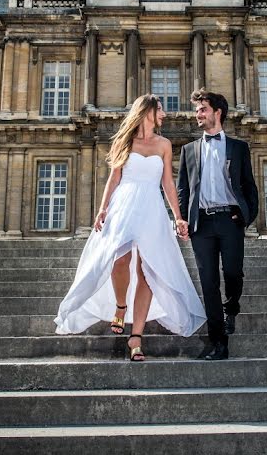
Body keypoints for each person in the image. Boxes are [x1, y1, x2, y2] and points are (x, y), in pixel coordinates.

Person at [54, 94, 206, 361]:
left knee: (148, 269)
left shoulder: (164, 144)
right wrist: (102, 209)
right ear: (146, 111)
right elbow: (113, 178)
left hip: (151, 207)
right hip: (123, 203)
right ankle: (121, 305)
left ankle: (136, 336)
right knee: (119, 259)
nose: (164, 114)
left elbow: (167, 184)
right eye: (160, 109)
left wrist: (178, 217)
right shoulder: (124, 140)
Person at [177, 88, 259, 361]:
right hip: (202, 224)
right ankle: (218, 342)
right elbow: (183, 190)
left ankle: (231, 307)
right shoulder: (189, 150)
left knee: (233, 273)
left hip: (229, 219)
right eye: (197, 110)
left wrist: (246, 217)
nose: (197, 114)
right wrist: (183, 219)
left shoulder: (238, 147)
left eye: (202, 109)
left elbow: (249, 187)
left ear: (217, 112)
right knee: (208, 283)